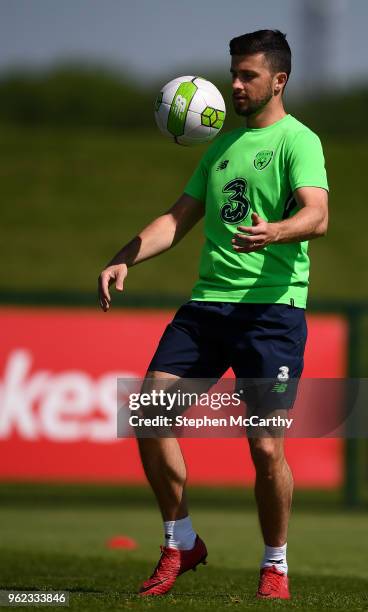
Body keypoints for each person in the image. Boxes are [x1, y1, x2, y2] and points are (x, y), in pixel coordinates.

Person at [98, 29, 329, 599]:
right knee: (150, 413)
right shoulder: (219, 148)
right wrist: (126, 256)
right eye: (233, 73)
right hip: (207, 308)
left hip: (272, 314)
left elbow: (317, 215)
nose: (235, 84)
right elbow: (177, 219)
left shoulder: (299, 141)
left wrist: (277, 229)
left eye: (248, 75)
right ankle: (180, 542)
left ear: (278, 80)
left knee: (266, 448)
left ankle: (274, 563)